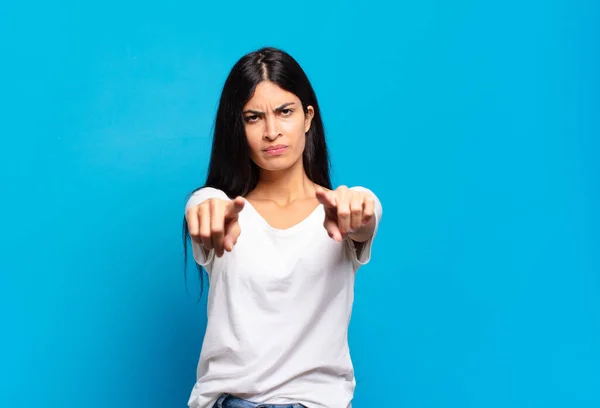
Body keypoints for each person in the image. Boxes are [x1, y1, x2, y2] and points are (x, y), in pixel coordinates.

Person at [182, 47, 383, 408]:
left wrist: (362, 209)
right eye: (254, 117)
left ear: (308, 117)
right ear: (238, 128)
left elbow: (364, 214)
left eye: (284, 112)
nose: (272, 131)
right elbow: (204, 208)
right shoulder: (221, 210)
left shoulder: (342, 209)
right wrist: (205, 207)